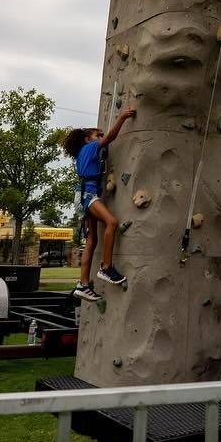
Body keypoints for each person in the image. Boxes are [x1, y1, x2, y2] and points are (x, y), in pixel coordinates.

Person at [61, 107, 136, 302]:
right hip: (88, 195)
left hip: (83, 195)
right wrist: (122, 118)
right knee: (111, 222)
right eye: (97, 135)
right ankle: (106, 267)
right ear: (88, 138)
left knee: (92, 241)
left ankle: (83, 285)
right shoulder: (90, 147)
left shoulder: (83, 154)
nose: (100, 137)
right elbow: (110, 137)